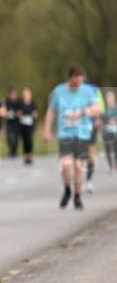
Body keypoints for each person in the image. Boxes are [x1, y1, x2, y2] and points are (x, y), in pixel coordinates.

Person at [43, 66, 99, 210]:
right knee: (66, 164)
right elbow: (51, 111)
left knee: (79, 166)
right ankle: (67, 189)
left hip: (82, 134)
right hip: (65, 134)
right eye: (75, 84)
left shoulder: (87, 91)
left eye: (80, 83)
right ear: (70, 79)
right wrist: (46, 130)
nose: (77, 86)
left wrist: (83, 111)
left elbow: (97, 109)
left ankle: (78, 197)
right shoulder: (59, 91)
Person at [17, 86, 38, 165]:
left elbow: (35, 114)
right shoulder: (21, 103)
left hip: (30, 124)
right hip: (23, 125)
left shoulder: (33, 103)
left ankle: (30, 155)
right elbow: (18, 113)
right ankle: (25, 156)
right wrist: (20, 114)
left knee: (29, 140)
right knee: (24, 140)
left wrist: (33, 115)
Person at [102, 89, 117, 173]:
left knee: (116, 148)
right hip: (106, 132)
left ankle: (115, 163)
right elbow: (102, 119)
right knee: (107, 149)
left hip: (115, 132)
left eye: (111, 97)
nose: (109, 99)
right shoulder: (104, 109)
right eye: (108, 97)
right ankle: (110, 165)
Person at [4, 87, 21, 159]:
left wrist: (17, 114)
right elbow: (4, 111)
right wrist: (6, 114)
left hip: (16, 122)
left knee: (16, 137)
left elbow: (21, 112)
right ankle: (11, 150)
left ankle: (15, 151)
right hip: (9, 122)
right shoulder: (7, 101)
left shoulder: (18, 102)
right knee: (9, 137)